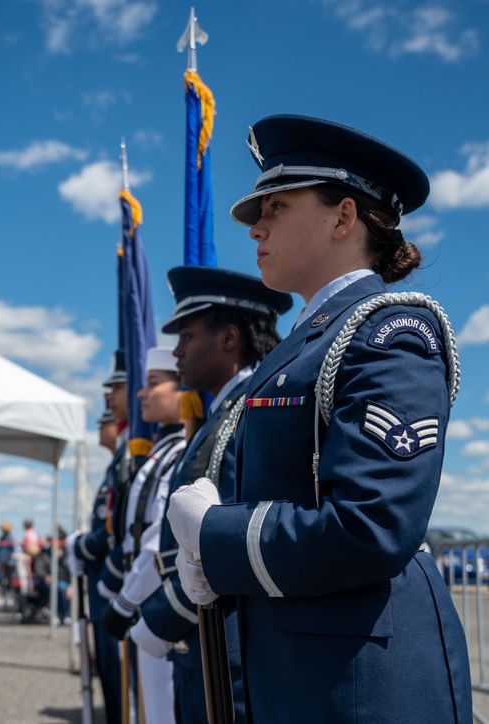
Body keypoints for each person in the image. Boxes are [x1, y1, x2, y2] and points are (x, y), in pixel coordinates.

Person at [167, 114, 472, 723]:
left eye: (275, 207)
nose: (256, 227)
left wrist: (217, 537)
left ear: (343, 216)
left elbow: (372, 527)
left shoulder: (390, 332)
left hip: (361, 689)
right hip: (303, 680)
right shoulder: (303, 345)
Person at [133, 265, 291, 724]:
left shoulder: (249, 414)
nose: (176, 351)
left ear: (228, 338)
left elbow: (226, 537)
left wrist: (161, 616)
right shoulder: (219, 416)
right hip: (203, 639)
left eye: (186, 336)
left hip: (228, 647)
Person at [101, 346, 188, 724]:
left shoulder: (180, 452)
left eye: (153, 383)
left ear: (183, 392)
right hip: (144, 603)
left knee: (163, 713)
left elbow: (158, 540)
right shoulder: (162, 452)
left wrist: (126, 601)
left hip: (160, 604)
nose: (141, 393)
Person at [64, 350, 127, 724]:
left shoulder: (126, 462)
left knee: (121, 678)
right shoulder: (115, 466)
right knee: (109, 673)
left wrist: (78, 546)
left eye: (114, 389)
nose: (108, 398)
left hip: (114, 584)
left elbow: (109, 535)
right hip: (105, 584)